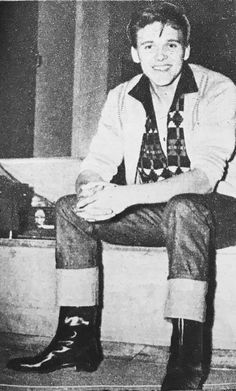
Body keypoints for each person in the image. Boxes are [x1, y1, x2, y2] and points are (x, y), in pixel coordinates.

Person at [7, 2, 236, 390]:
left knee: (185, 206)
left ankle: (186, 361)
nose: (160, 57)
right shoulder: (121, 96)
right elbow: (96, 162)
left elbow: (203, 178)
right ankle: (76, 341)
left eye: (170, 46)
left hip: (220, 211)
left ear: (187, 50)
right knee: (69, 210)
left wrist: (125, 195)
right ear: (134, 53)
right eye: (148, 47)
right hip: (156, 213)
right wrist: (90, 189)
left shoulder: (219, 89)